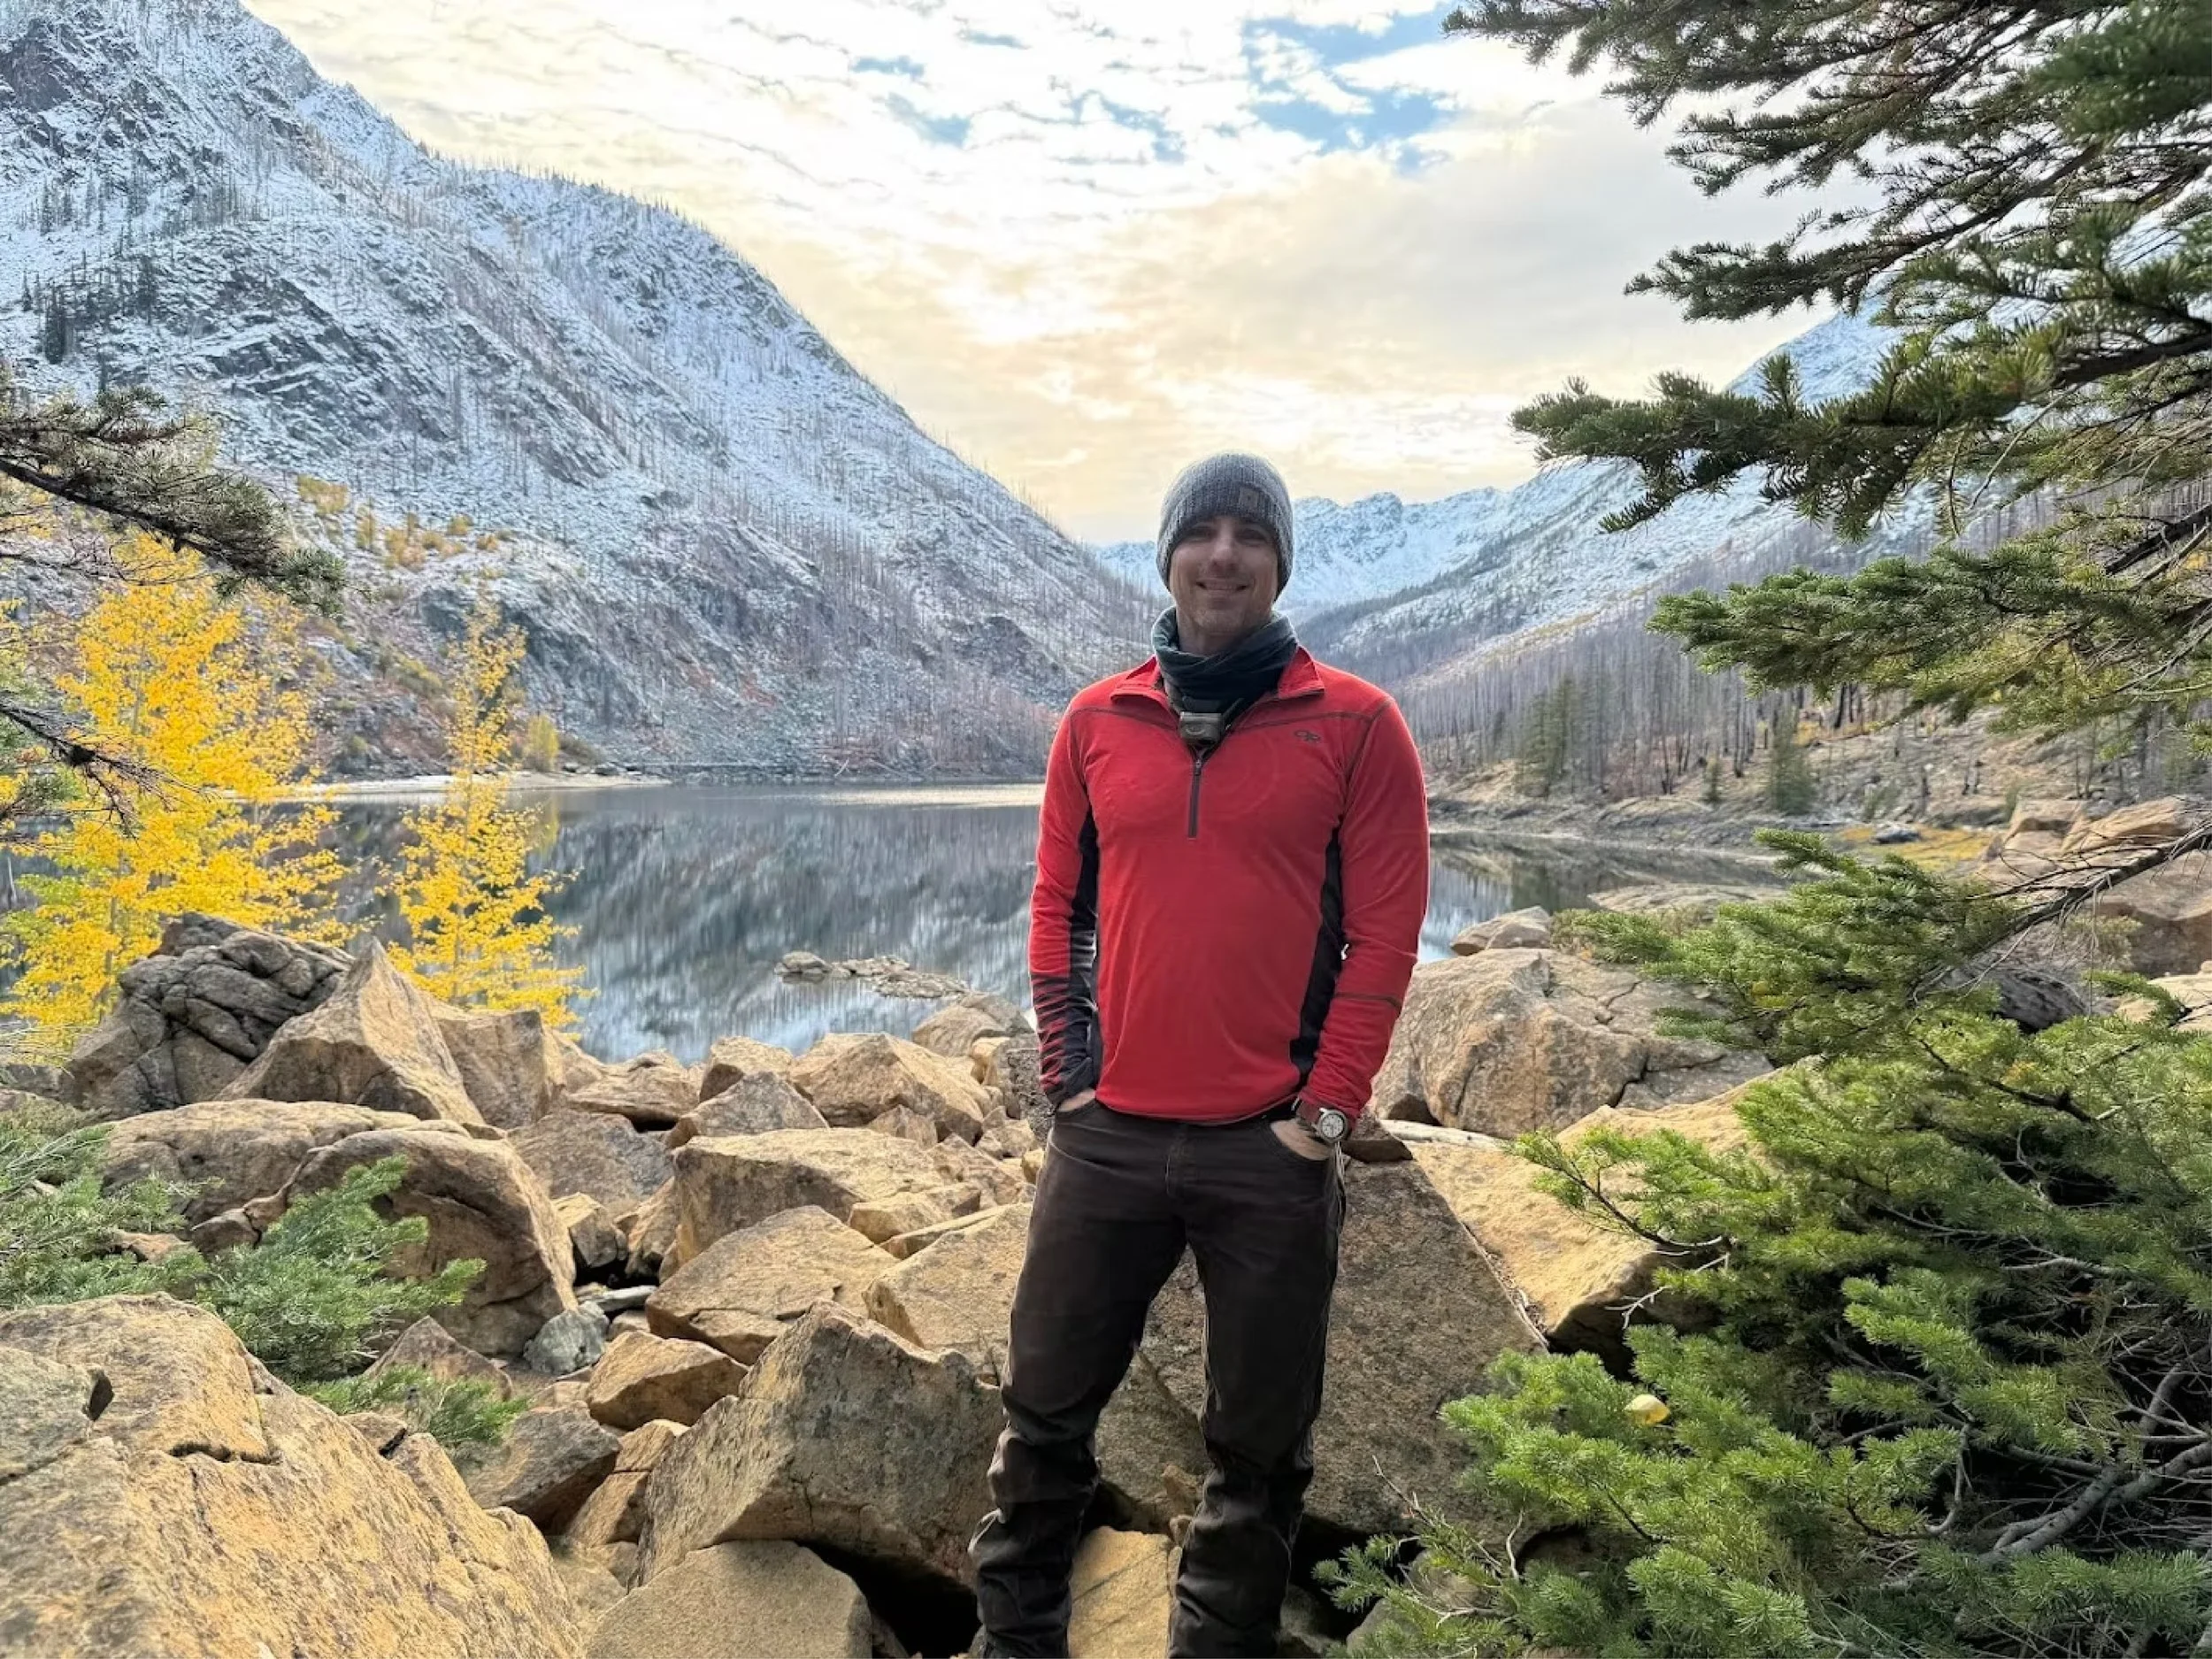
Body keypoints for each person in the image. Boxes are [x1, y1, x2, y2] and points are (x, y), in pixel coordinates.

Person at [969, 451, 1431, 1657]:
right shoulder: (1096, 720)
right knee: (1043, 1423)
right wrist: (1067, 1078)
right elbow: (1060, 908)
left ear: (1279, 565)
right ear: (1167, 553)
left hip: (1266, 1153)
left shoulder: (1359, 726)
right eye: (1201, 530)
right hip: (1109, 1136)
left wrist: (1324, 1114)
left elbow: (1385, 937)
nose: (1222, 552)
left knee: (1260, 1453)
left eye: (1249, 534)